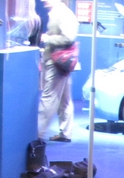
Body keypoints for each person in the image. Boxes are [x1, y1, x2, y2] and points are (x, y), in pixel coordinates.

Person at [38, 0, 79, 142]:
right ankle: (65, 133)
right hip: (61, 62)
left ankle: (37, 134)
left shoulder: (62, 13)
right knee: (64, 99)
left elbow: (68, 37)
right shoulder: (60, 12)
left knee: (49, 98)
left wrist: (47, 38)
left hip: (57, 61)